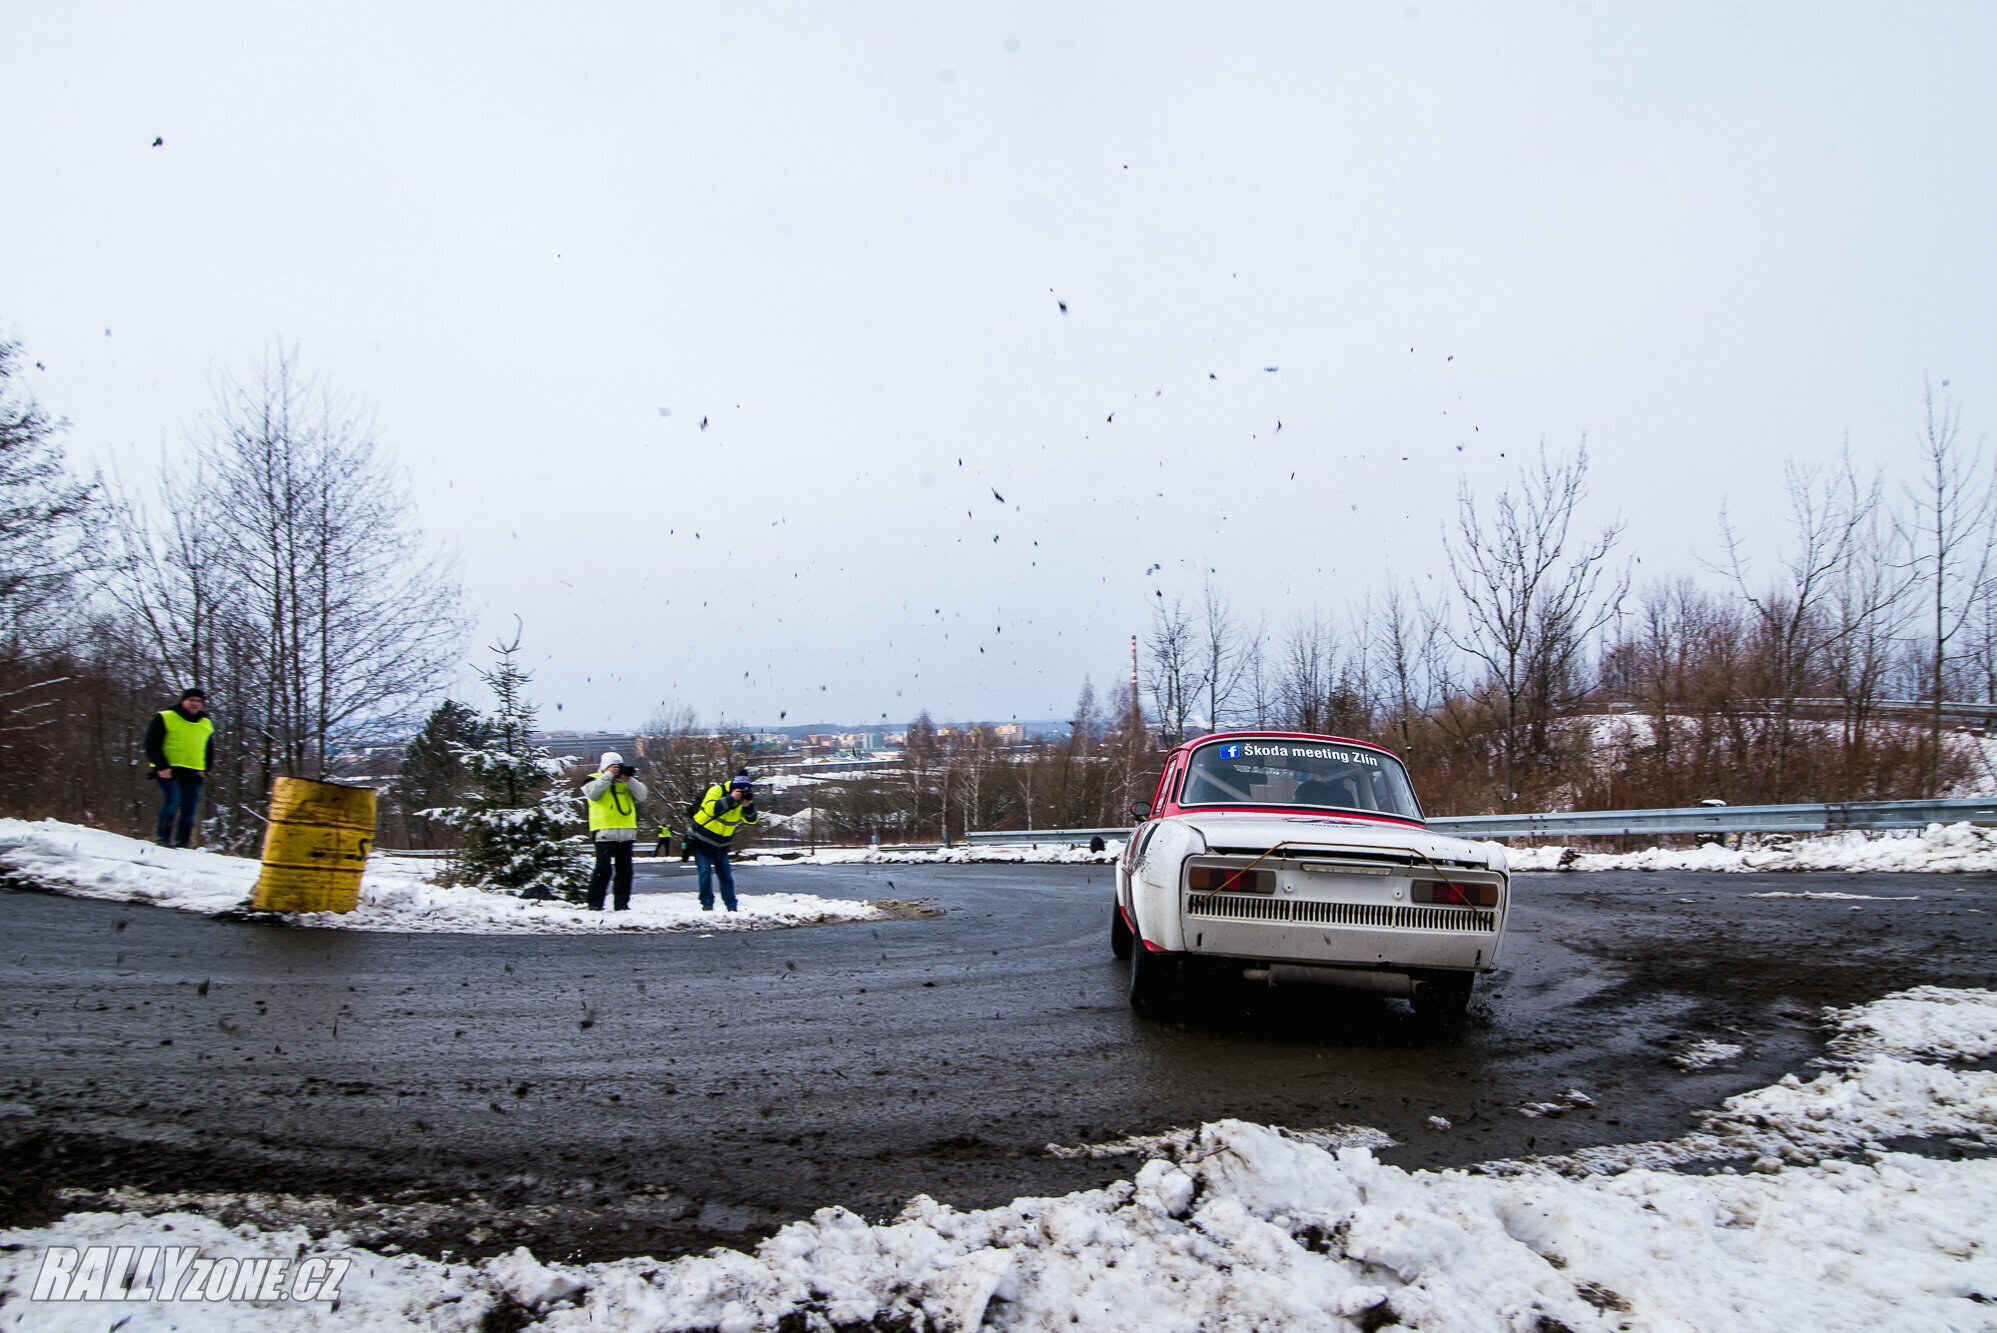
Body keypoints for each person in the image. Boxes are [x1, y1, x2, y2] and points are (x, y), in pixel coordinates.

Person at [144, 689, 212, 848]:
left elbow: (209, 749)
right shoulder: (165, 717)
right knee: (173, 800)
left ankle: (183, 842)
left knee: (189, 808)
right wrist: (161, 766)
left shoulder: (206, 723)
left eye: (199, 701)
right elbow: (151, 743)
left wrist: (205, 769)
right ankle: (163, 838)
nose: (195, 704)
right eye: (192, 700)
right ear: (183, 700)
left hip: (194, 772)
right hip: (169, 770)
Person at [581, 751, 649, 911]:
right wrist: (607, 776)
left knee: (625, 871)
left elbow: (642, 795)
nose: (616, 770)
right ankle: (595, 903)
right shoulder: (593, 779)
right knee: (603, 869)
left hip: (626, 833)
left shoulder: (625, 782)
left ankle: (621, 904)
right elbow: (592, 794)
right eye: (612, 766)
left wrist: (629, 780)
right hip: (604, 832)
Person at [687, 769, 759, 911]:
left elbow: (752, 820)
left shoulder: (741, 802)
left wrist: (747, 806)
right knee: (705, 873)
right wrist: (730, 798)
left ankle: (731, 906)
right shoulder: (717, 790)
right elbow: (710, 808)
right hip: (701, 841)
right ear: (733, 788)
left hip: (721, 846)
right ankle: (707, 904)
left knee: (726, 876)